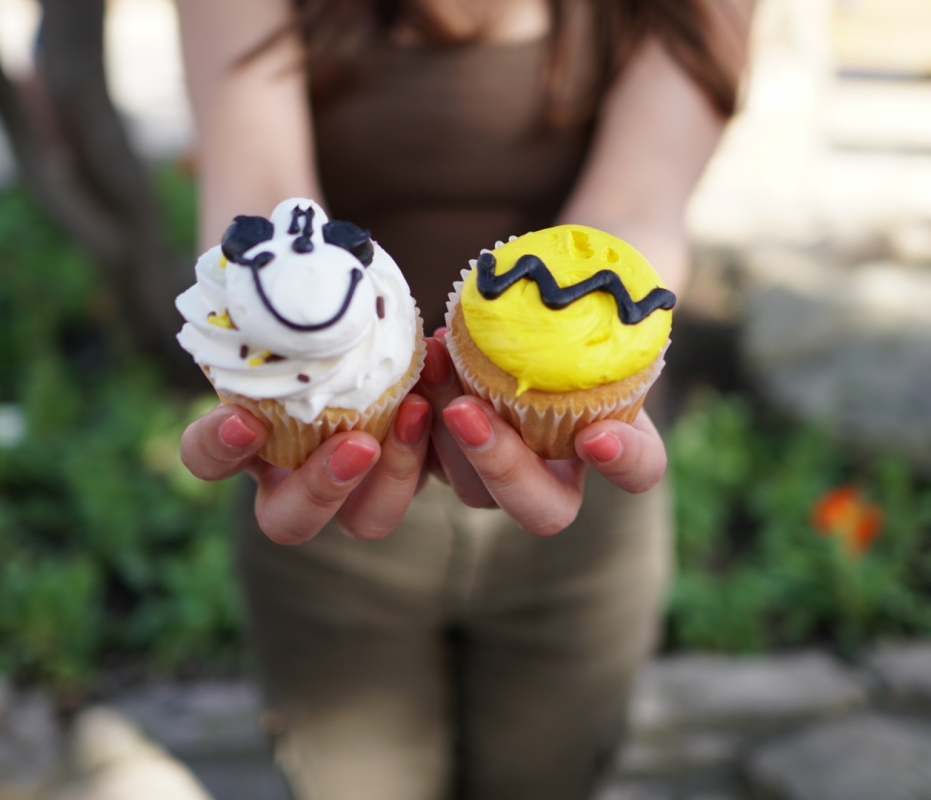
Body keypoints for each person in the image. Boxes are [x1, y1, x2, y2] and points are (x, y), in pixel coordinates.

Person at [176, 1, 752, 797]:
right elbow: (264, 212)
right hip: (333, 477)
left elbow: (630, 213)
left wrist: (569, 388)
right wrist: (282, 385)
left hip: (576, 492)